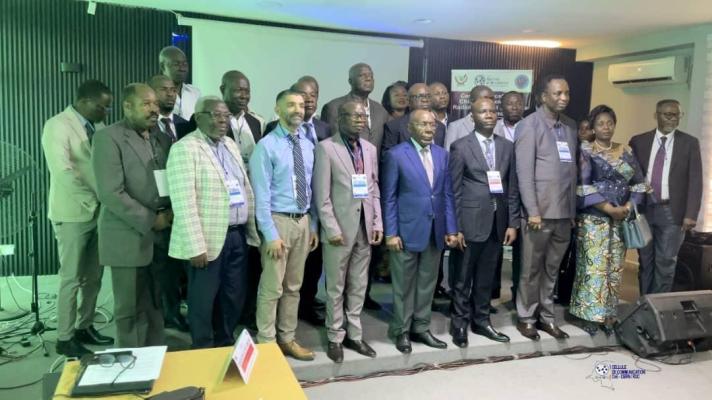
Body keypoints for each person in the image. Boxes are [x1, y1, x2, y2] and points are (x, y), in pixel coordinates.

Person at [166, 96, 260, 348]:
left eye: (225, 116)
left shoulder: (230, 144)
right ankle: (203, 348)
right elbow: (184, 201)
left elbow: (243, 185)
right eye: (216, 115)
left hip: (237, 234)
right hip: (207, 239)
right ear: (199, 118)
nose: (222, 120)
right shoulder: (185, 148)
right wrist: (195, 246)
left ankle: (224, 341)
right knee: (203, 300)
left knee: (232, 295)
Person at [92, 83, 172, 347]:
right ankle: (130, 364)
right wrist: (152, 220)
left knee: (156, 303)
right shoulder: (108, 138)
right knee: (130, 309)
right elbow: (111, 193)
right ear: (127, 106)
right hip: (128, 235)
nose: (154, 109)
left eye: (155, 104)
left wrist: (170, 212)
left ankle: (155, 357)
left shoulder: (162, 137)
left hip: (162, 234)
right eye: (146, 103)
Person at [42, 80, 115, 357]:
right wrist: (92, 201)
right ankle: (64, 337)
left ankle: (85, 326)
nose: (106, 112)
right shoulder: (57, 125)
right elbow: (62, 172)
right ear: (84, 101)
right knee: (71, 277)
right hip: (72, 213)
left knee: (94, 276)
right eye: (102, 106)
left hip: (99, 212)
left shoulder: (99, 126)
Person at [381, 109, 459, 354]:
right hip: (405, 231)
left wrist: (451, 228)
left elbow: (447, 194)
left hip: (435, 231)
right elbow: (389, 197)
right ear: (410, 128)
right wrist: (391, 233)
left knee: (427, 282)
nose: (429, 129)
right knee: (403, 284)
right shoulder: (396, 155)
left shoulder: (442, 155)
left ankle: (421, 327)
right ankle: (401, 330)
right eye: (423, 125)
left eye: (432, 125)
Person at [250, 90, 318, 361]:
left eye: (301, 105)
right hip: (277, 223)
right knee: (271, 287)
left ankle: (287, 338)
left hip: (301, 221)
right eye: (291, 104)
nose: (298, 110)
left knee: (293, 287)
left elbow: (309, 188)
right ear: (277, 110)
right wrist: (270, 233)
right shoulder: (266, 146)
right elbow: (260, 195)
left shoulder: (308, 145)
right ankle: (266, 343)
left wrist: (311, 224)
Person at [570, 105, 650, 335]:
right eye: (601, 123)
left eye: (610, 123)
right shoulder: (587, 151)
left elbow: (639, 183)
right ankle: (587, 315)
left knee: (614, 268)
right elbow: (583, 186)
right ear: (593, 127)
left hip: (621, 220)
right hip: (594, 219)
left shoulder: (625, 150)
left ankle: (608, 315)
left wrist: (628, 206)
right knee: (592, 268)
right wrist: (607, 208)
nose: (606, 127)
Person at [314, 100, 382, 363]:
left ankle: (355, 334)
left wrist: (377, 223)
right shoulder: (327, 148)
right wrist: (331, 228)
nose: (359, 120)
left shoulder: (369, 148)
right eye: (353, 116)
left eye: (363, 116)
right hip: (339, 232)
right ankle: (335, 336)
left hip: (365, 228)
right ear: (340, 118)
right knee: (335, 287)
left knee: (359, 285)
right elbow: (322, 196)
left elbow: (373, 187)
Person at [449, 98, 519, 347]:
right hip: (469, 223)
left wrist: (512, 223)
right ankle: (459, 324)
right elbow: (454, 191)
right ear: (473, 117)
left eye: (492, 111)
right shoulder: (460, 146)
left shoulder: (507, 147)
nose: (489, 115)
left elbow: (511, 189)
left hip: (497, 223)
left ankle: (482, 321)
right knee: (462, 278)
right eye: (483, 111)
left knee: (486, 278)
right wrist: (455, 227)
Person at [514, 74, 577, 341]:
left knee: (552, 269)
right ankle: (526, 317)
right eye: (557, 93)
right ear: (542, 96)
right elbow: (524, 174)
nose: (563, 98)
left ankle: (547, 317)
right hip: (538, 214)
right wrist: (533, 211)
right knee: (531, 269)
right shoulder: (529, 125)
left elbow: (570, 172)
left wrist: (572, 212)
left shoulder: (571, 126)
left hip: (564, 214)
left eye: (566, 93)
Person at [266, 79, 332, 326]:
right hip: (281, 217)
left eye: (310, 97)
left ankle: (295, 322)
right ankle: (269, 336)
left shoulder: (316, 136)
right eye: (297, 100)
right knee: (274, 284)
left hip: (309, 215)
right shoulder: (271, 137)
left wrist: (314, 222)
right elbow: (265, 188)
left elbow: (317, 179)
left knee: (303, 277)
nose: (305, 103)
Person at [629, 99, 702, 294]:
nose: (671, 118)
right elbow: (630, 176)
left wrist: (691, 214)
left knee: (666, 264)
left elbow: (696, 180)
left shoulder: (690, 143)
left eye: (675, 114)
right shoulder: (638, 141)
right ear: (656, 115)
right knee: (645, 262)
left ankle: (658, 313)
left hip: (673, 212)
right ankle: (643, 307)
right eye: (666, 114)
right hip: (644, 211)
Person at [147, 74, 191, 333]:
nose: (170, 94)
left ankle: (174, 311)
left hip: (183, 204)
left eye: (173, 89)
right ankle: (159, 315)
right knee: (158, 268)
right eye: (163, 90)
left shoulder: (185, 125)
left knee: (177, 268)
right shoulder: (145, 127)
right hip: (156, 208)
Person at [321, 63, 390, 154]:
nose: (368, 78)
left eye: (371, 76)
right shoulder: (334, 107)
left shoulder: (381, 111)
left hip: (373, 166)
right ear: (350, 81)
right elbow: (330, 144)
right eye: (362, 75)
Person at [382, 83, 446, 153]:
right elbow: (388, 159)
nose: (425, 100)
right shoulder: (394, 126)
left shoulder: (440, 127)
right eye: (420, 96)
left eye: (428, 96)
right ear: (409, 101)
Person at [220, 70, 263, 166]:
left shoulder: (255, 122)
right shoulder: (213, 120)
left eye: (247, 91)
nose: (244, 96)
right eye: (238, 90)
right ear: (223, 90)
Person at [444, 85, 495, 151]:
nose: (489, 102)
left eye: (491, 98)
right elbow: (449, 155)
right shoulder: (455, 127)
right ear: (472, 101)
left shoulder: (497, 126)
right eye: (485, 98)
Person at [159, 46, 201, 120]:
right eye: (176, 64)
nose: (182, 68)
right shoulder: (153, 92)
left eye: (184, 64)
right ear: (163, 66)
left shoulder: (195, 92)